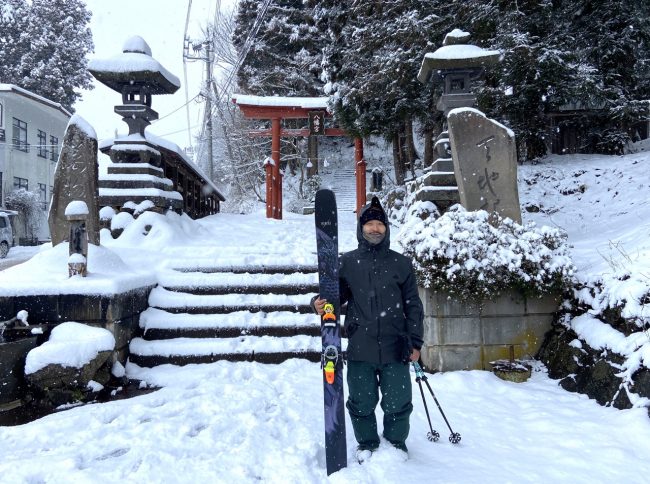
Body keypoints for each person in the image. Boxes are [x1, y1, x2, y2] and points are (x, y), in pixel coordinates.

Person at [312, 196, 424, 462]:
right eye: (369, 224)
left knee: (398, 403)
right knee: (361, 403)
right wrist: (317, 304)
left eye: (379, 224)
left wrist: (416, 343)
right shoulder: (348, 262)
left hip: (397, 346)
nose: (375, 228)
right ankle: (367, 444)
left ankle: (396, 445)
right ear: (361, 229)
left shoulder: (401, 263)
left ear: (387, 229)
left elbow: (414, 306)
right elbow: (333, 298)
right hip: (361, 345)